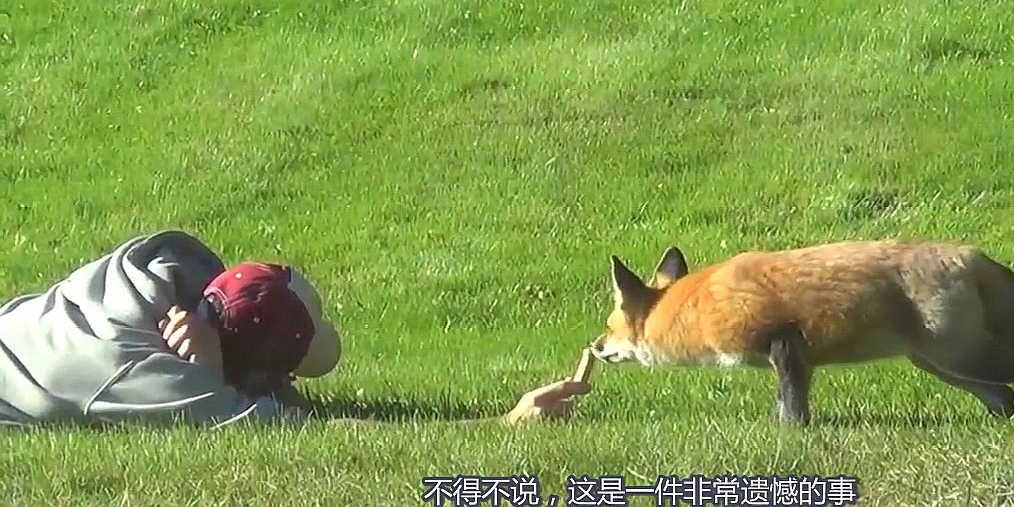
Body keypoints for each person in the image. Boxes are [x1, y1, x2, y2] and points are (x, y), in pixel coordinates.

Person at [0, 230, 589, 428]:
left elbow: (278, 396)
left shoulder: (166, 268)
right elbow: (270, 428)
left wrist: (226, 364)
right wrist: (506, 422)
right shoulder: (145, 377)